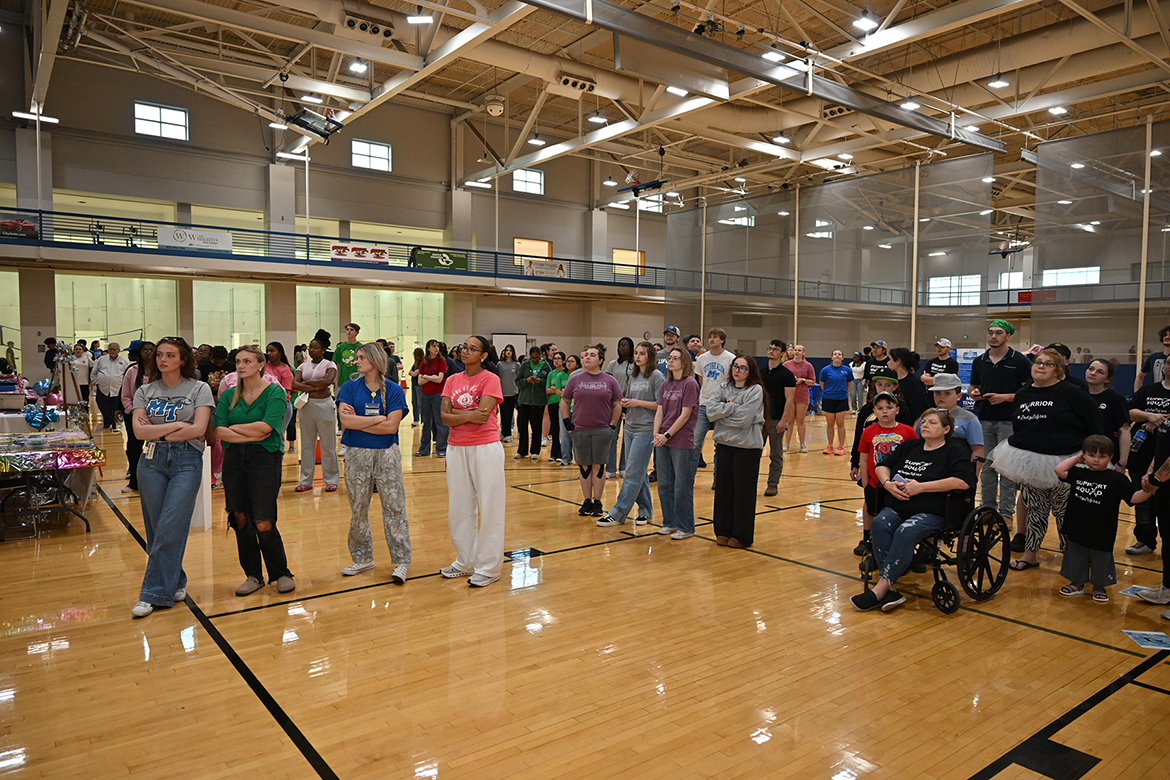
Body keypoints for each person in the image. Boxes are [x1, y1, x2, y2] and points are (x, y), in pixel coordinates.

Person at [986, 348, 1104, 570]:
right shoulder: (1023, 394)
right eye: (1037, 362)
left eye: (1047, 364)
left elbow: (1095, 424)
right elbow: (1020, 424)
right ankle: (1030, 554)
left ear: (1059, 371)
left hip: (1064, 461)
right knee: (1035, 509)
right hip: (1032, 461)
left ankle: (1072, 556)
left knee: (1065, 512)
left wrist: (1090, 454)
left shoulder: (1073, 393)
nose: (1040, 366)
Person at [850, 408, 977, 612]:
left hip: (934, 511)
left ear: (946, 429)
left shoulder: (954, 451)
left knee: (906, 531)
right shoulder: (910, 445)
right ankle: (890, 588)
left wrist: (921, 487)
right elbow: (882, 465)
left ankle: (881, 587)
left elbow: (963, 481)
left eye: (932, 422)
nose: (924, 425)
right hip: (899, 505)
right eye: (923, 421)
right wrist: (887, 482)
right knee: (880, 523)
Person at [129, 337, 215, 618]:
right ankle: (175, 581)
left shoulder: (199, 389)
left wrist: (162, 429)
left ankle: (152, 593)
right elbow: (139, 433)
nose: (162, 359)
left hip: (186, 461)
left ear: (182, 360)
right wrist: (179, 425)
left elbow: (200, 428)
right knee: (156, 529)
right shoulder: (144, 390)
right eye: (159, 355)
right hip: (151, 461)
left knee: (170, 526)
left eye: (170, 355)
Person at [214, 345, 295, 596]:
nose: (241, 366)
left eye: (247, 361)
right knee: (240, 518)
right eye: (237, 361)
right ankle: (253, 575)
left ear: (261, 365)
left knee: (263, 520)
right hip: (235, 460)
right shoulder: (228, 396)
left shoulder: (274, 393)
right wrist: (252, 430)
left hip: (265, 459)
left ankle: (280, 573)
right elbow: (218, 431)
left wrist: (237, 429)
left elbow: (267, 429)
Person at [337, 343, 411, 582]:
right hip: (356, 453)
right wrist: (378, 419)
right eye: (356, 357)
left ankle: (401, 560)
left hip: (386, 454)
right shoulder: (348, 387)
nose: (356, 361)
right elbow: (345, 423)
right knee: (358, 508)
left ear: (375, 360)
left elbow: (392, 427)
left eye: (361, 357)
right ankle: (362, 558)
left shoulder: (393, 390)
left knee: (394, 506)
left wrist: (363, 421)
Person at [440, 335, 506, 587]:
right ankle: (465, 561)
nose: (465, 351)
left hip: (485, 448)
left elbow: (482, 417)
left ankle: (489, 568)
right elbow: (444, 418)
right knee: (459, 507)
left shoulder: (492, 379)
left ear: (484, 355)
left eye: (471, 348)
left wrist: (457, 412)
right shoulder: (452, 380)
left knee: (490, 507)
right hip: (457, 449)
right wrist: (466, 413)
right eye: (463, 347)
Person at [1056, 436, 1153, 603]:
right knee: (1076, 555)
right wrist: (1078, 459)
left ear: (1110, 457)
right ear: (1084, 455)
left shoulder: (1117, 479)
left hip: (1102, 529)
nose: (1096, 460)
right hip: (1076, 526)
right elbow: (1059, 470)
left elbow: (1133, 497)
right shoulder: (1078, 472)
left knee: (1101, 558)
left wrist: (1148, 491)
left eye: (1102, 457)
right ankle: (1077, 583)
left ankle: (1099, 586)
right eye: (1091, 455)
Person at [968, 320, 1033, 548]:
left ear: (1008, 336)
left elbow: (1028, 392)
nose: (994, 336)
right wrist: (974, 392)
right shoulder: (980, 361)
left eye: (999, 333)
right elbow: (972, 386)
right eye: (991, 332)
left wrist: (1005, 397)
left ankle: (1006, 514)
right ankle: (987, 509)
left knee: (1006, 469)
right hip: (983, 419)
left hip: (1009, 421)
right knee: (986, 466)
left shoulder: (1020, 361)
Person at [598, 343, 663, 527]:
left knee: (632, 472)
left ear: (650, 356)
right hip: (630, 427)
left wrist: (638, 402)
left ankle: (618, 512)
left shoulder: (656, 376)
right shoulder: (634, 376)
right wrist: (627, 403)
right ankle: (645, 510)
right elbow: (633, 400)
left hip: (645, 429)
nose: (638, 356)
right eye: (636, 353)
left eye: (642, 353)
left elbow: (661, 405)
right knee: (639, 472)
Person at [708, 354, 767, 548]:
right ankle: (723, 531)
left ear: (750, 372)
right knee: (724, 490)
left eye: (742, 368)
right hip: (725, 444)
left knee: (743, 492)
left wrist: (723, 412)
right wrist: (733, 406)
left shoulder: (755, 390)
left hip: (747, 447)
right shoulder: (723, 388)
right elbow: (710, 412)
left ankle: (741, 536)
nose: (737, 370)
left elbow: (744, 419)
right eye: (735, 366)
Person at [561, 345, 622, 517]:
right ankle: (586, 501)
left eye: (592, 355)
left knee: (599, 466)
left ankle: (598, 501)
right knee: (584, 466)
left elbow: (617, 404)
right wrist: (568, 424)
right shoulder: (575, 379)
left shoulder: (610, 380)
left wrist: (612, 425)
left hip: (602, 430)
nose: (587, 357)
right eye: (586, 355)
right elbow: (564, 401)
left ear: (600, 360)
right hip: (580, 430)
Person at [653, 347, 700, 539]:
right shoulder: (666, 385)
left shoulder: (690, 384)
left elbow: (685, 414)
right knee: (664, 483)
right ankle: (669, 522)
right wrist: (656, 434)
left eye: (675, 358)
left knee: (681, 485)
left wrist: (667, 435)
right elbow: (660, 411)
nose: (670, 361)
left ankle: (686, 526)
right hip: (663, 440)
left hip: (680, 440)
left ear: (684, 362)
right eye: (670, 358)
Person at [1124, 365, 1170, 556]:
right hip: (1140, 453)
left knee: (1165, 501)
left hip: (1165, 457)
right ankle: (1145, 540)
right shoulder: (1149, 389)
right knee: (1142, 498)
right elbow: (1131, 412)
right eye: (1169, 363)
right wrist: (1150, 416)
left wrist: (1160, 420)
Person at [291, 339, 340, 492]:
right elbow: (294, 385)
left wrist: (309, 384)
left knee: (328, 445)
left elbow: (326, 382)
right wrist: (316, 384)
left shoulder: (329, 364)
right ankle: (305, 481)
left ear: (324, 349)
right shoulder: (302, 366)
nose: (312, 350)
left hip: (324, 405)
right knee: (306, 445)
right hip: (306, 406)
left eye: (316, 347)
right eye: (311, 347)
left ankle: (331, 480)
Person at [694, 328, 735, 476]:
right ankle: (689, 478)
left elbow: (732, 382)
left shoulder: (730, 358)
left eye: (715, 337)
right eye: (710, 337)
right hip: (704, 404)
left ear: (722, 340)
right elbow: (701, 381)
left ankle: (718, 478)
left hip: (722, 406)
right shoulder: (702, 359)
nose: (712, 339)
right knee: (695, 442)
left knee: (720, 444)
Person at [761, 340, 796, 497]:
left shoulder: (787, 375)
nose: (771, 351)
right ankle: (748, 483)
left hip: (776, 420)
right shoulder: (760, 373)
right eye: (770, 348)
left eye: (775, 349)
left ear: (782, 353)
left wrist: (784, 420)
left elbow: (789, 399)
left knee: (775, 454)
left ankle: (772, 484)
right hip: (759, 420)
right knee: (753, 453)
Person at [119, 340, 155, 494]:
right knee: (134, 449)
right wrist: (133, 411)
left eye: (151, 350)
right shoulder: (132, 371)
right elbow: (125, 395)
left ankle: (154, 482)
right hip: (134, 416)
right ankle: (134, 482)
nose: (148, 353)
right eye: (144, 350)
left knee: (155, 449)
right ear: (139, 353)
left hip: (157, 416)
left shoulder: (161, 371)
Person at [923, 374, 984, 463]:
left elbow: (977, 450)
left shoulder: (970, 419)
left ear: (958, 396)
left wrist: (972, 474)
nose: (941, 397)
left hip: (958, 466)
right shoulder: (926, 416)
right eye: (937, 392)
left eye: (947, 393)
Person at [1085, 359, 1131, 475]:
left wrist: (1122, 463)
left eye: (1100, 372)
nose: (1093, 373)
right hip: (1081, 455)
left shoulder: (1115, 399)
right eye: (1091, 369)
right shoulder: (1079, 395)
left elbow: (1124, 431)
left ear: (1107, 379)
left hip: (1105, 456)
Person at [605, 337, 636, 476]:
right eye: (620, 346)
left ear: (631, 348)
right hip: (615, 403)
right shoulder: (612, 364)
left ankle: (624, 467)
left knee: (627, 437)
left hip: (630, 403)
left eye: (626, 345)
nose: (622, 348)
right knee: (612, 435)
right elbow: (607, 382)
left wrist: (628, 393)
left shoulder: (636, 364)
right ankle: (610, 468)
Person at [416, 339, 449, 458]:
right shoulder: (424, 363)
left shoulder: (442, 361)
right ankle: (424, 449)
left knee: (440, 422)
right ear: (428, 348)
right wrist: (432, 377)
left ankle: (441, 448)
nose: (436, 348)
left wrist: (426, 376)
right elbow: (420, 381)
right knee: (426, 422)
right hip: (425, 394)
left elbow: (440, 379)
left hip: (438, 394)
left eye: (438, 346)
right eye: (433, 346)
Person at [515, 346, 549, 461]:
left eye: (537, 358)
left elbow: (548, 382)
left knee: (536, 427)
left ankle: (535, 451)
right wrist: (527, 381)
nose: (535, 360)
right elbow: (518, 381)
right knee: (523, 427)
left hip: (538, 402)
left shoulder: (545, 366)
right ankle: (522, 451)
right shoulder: (525, 365)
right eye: (533, 358)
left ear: (541, 355)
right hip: (524, 401)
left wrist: (540, 381)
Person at [783, 344, 816, 453]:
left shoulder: (808, 366)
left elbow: (813, 381)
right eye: (795, 350)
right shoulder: (786, 365)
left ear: (803, 353)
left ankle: (802, 444)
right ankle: (786, 444)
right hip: (790, 395)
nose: (797, 352)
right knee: (790, 421)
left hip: (802, 395)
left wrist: (803, 380)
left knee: (800, 421)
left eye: (799, 350)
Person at [819, 349, 853, 454]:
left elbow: (849, 384)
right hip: (828, 398)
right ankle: (830, 446)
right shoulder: (825, 370)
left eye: (839, 354)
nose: (837, 356)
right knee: (830, 424)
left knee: (840, 423)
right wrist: (830, 392)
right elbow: (822, 384)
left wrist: (842, 392)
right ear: (832, 357)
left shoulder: (847, 370)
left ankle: (841, 446)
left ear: (842, 358)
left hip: (842, 399)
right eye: (835, 354)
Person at [264, 342, 295, 455]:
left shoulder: (286, 370)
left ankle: (278, 462)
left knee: (278, 434)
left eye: (272, 351)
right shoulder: (264, 366)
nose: (269, 354)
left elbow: (285, 392)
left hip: (281, 406)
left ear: (280, 353)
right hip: (263, 405)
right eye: (267, 351)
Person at [91, 341, 129, 431]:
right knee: (103, 407)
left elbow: (127, 375)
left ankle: (115, 424)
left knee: (116, 408)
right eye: (110, 349)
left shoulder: (124, 361)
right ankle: (107, 422)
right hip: (103, 389)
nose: (111, 351)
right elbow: (93, 372)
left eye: (114, 349)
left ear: (118, 350)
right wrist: (96, 381)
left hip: (117, 389)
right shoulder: (101, 359)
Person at [888, 347, 929, 426]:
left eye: (890, 360)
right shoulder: (890, 381)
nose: (888, 363)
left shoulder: (914, 383)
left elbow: (919, 415)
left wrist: (913, 436)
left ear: (898, 361)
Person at [545, 351, 568, 463]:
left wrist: (557, 389)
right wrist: (557, 390)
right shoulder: (551, 374)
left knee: (563, 429)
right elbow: (547, 390)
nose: (556, 360)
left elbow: (566, 391)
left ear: (563, 361)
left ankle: (564, 454)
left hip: (563, 404)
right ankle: (554, 453)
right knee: (554, 428)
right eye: (555, 358)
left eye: (559, 358)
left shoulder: (567, 374)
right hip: (552, 403)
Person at [559, 354, 581, 466]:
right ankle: (566, 458)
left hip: (582, 412)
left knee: (578, 436)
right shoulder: (574, 375)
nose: (569, 363)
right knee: (565, 433)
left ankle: (580, 460)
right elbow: (565, 396)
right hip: (570, 408)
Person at [496, 344, 520, 442]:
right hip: (502, 392)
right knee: (503, 413)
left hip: (513, 393)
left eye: (510, 350)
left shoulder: (516, 364)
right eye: (507, 350)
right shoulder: (500, 364)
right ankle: (503, 433)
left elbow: (518, 378)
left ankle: (508, 434)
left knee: (510, 414)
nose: (508, 352)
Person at [1135, 325, 1170, 391]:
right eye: (1165, 335)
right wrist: (1137, 395)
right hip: (1157, 396)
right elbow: (1140, 377)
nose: (1167, 337)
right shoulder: (1153, 357)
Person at [334, 322, 363, 387]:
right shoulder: (340, 347)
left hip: (358, 382)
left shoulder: (361, 348)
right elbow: (337, 366)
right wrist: (336, 382)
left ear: (357, 332)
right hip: (342, 382)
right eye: (347, 329)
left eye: (351, 330)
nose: (349, 331)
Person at [408, 346, 425, 429]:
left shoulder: (422, 363)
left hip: (419, 385)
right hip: (414, 384)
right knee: (414, 402)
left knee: (420, 403)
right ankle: (416, 419)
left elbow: (414, 373)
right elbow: (410, 372)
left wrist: (412, 373)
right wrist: (412, 372)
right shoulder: (415, 363)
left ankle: (423, 419)